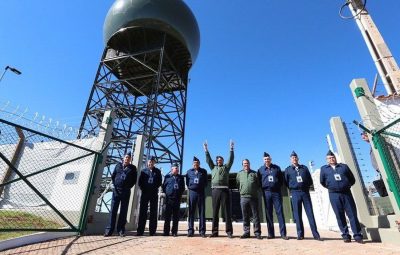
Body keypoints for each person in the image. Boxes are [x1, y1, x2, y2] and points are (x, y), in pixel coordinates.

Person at [320, 150, 364, 244]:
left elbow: (352, 179)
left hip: (346, 193)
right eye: (329, 158)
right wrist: (332, 186)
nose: (331, 159)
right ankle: (345, 235)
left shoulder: (343, 166)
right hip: (334, 194)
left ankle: (357, 235)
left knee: (352, 214)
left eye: (333, 157)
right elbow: (322, 181)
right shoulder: (324, 169)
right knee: (339, 215)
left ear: (335, 158)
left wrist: (346, 185)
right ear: (327, 160)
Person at [284, 151, 322, 241]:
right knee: (297, 215)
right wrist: (293, 187)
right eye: (293, 158)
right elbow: (286, 182)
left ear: (298, 158)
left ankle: (316, 235)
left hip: (305, 192)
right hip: (295, 193)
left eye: (295, 157)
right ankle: (300, 234)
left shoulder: (304, 168)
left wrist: (305, 186)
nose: (294, 159)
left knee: (310, 213)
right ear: (290, 160)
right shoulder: (288, 170)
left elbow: (309, 180)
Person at [204, 140, 234, 238]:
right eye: (218, 160)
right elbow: (208, 160)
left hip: (224, 190)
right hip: (215, 190)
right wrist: (206, 150)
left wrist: (231, 149)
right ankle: (214, 232)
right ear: (216, 161)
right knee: (215, 211)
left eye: (220, 160)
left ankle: (229, 232)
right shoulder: (213, 167)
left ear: (223, 161)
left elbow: (231, 159)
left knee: (227, 211)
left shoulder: (226, 168)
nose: (219, 161)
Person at [104, 153, 137, 237]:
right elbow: (113, 176)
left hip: (126, 192)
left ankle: (121, 230)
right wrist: (115, 186)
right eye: (126, 157)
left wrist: (127, 187)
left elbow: (134, 180)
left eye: (129, 158)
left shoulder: (132, 168)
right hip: (116, 191)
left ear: (130, 159)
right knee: (113, 210)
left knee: (123, 211)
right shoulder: (118, 166)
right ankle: (109, 230)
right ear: (123, 158)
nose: (127, 159)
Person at [258, 152, 288, 240]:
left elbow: (281, 180)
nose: (267, 160)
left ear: (270, 159)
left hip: (276, 192)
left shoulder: (276, 168)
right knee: (268, 213)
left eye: (268, 159)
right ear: (263, 160)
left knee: (280, 212)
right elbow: (259, 181)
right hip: (266, 192)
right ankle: (271, 234)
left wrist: (277, 187)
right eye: (265, 159)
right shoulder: (260, 170)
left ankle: (283, 234)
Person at [236, 159, 262, 239]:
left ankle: (257, 232)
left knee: (255, 215)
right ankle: (246, 232)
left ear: (249, 164)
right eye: (244, 163)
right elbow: (237, 184)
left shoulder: (254, 173)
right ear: (242, 165)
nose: (245, 165)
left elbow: (258, 184)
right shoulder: (239, 174)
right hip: (243, 197)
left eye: (247, 163)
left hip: (253, 197)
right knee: (245, 215)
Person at [137, 157, 162, 236]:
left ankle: (152, 231)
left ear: (154, 163)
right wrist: (144, 189)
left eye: (152, 162)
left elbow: (159, 182)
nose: (151, 163)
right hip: (145, 193)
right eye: (149, 162)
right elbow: (140, 182)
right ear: (148, 163)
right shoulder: (143, 171)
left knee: (153, 212)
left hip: (154, 193)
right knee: (142, 212)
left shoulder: (157, 171)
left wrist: (154, 188)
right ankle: (140, 230)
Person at [186, 156, 208, 237]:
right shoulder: (189, 172)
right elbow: (187, 182)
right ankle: (190, 230)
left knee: (202, 212)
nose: (196, 164)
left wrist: (200, 187)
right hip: (192, 193)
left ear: (199, 164)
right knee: (191, 211)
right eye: (194, 163)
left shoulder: (203, 171)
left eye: (197, 163)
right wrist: (192, 187)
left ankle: (202, 231)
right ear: (192, 164)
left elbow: (206, 182)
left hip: (201, 192)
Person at [361, 131, 388, 197]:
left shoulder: (376, 142)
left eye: (364, 136)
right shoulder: (372, 145)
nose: (363, 138)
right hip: (381, 170)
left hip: (385, 169)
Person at [162, 163, 185, 237]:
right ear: (172, 169)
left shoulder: (180, 178)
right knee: (167, 216)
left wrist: (179, 194)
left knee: (176, 216)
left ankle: (174, 231)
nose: (177, 169)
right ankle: (166, 231)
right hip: (169, 199)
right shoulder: (167, 177)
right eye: (176, 168)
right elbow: (164, 187)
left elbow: (182, 188)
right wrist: (168, 193)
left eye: (177, 168)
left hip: (177, 199)